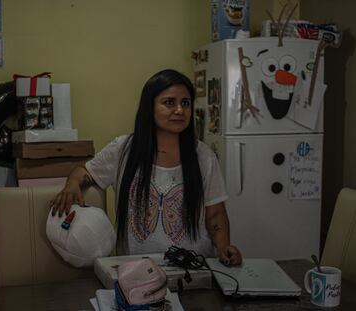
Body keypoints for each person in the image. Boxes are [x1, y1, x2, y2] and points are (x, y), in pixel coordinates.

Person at [50, 69, 242, 265]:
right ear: (149, 107)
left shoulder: (204, 155)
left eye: (185, 103)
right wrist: (72, 183)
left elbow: (215, 214)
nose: (179, 110)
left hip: (194, 268)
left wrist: (224, 247)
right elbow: (85, 170)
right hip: (136, 271)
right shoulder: (123, 149)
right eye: (169, 102)